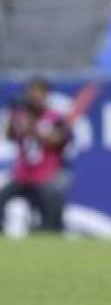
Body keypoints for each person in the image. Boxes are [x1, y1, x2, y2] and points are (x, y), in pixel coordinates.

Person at [0, 77, 71, 233]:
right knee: (2, 196)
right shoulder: (20, 115)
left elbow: (59, 140)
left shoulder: (55, 117)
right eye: (32, 92)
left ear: (46, 95)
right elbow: (10, 136)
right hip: (22, 175)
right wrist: (13, 119)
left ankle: (51, 234)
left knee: (53, 198)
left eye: (39, 92)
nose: (35, 96)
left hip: (46, 175)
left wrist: (34, 128)